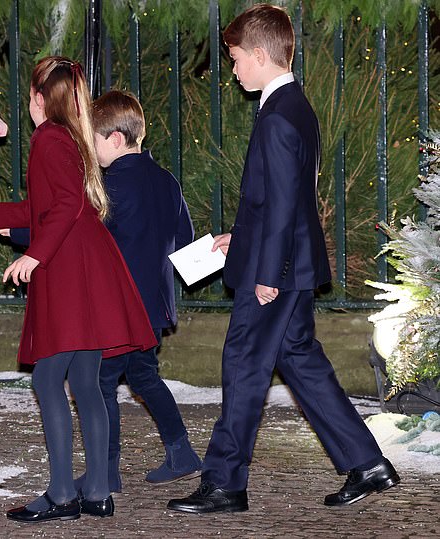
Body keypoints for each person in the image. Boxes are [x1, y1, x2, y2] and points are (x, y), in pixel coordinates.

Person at [168, 4, 400, 514]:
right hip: (290, 261)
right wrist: (243, 241)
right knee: (300, 360)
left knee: (244, 365)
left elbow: (282, 204)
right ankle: (367, 463)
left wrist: (266, 271)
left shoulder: (276, 115)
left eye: (233, 60)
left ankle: (226, 483)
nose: (231, 70)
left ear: (257, 53)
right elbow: (284, 200)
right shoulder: (296, 105)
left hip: (277, 270)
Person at [0, 56, 156, 524]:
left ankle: (63, 494)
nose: (29, 103)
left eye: (30, 95)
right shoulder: (73, 138)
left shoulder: (48, 137)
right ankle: (99, 493)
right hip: (89, 266)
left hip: (69, 269)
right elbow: (49, 206)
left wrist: (33, 256)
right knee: (85, 384)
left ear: (40, 99)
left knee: (48, 380)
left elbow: (63, 206)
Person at [83, 90, 202, 491]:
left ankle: (106, 469)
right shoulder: (166, 181)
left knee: (100, 384)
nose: (91, 150)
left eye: (93, 141)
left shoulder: (106, 185)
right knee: (145, 378)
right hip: (152, 308)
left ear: (115, 139)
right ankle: (181, 451)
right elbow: (184, 240)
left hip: (116, 309)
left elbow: (81, 237)